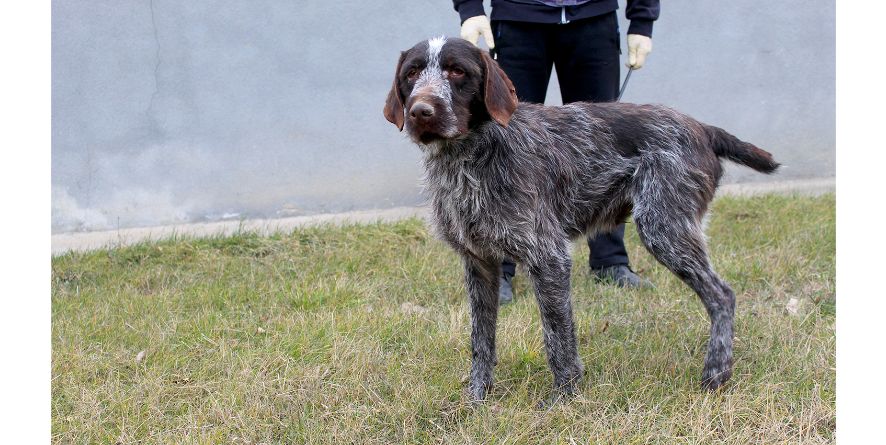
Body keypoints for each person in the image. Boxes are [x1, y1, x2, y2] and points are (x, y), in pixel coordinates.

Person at [452, 0, 660, 303]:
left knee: (603, 147)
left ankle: (610, 260)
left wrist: (642, 20)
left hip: (594, 18)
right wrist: (470, 9)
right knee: (505, 145)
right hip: (517, 19)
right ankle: (501, 269)